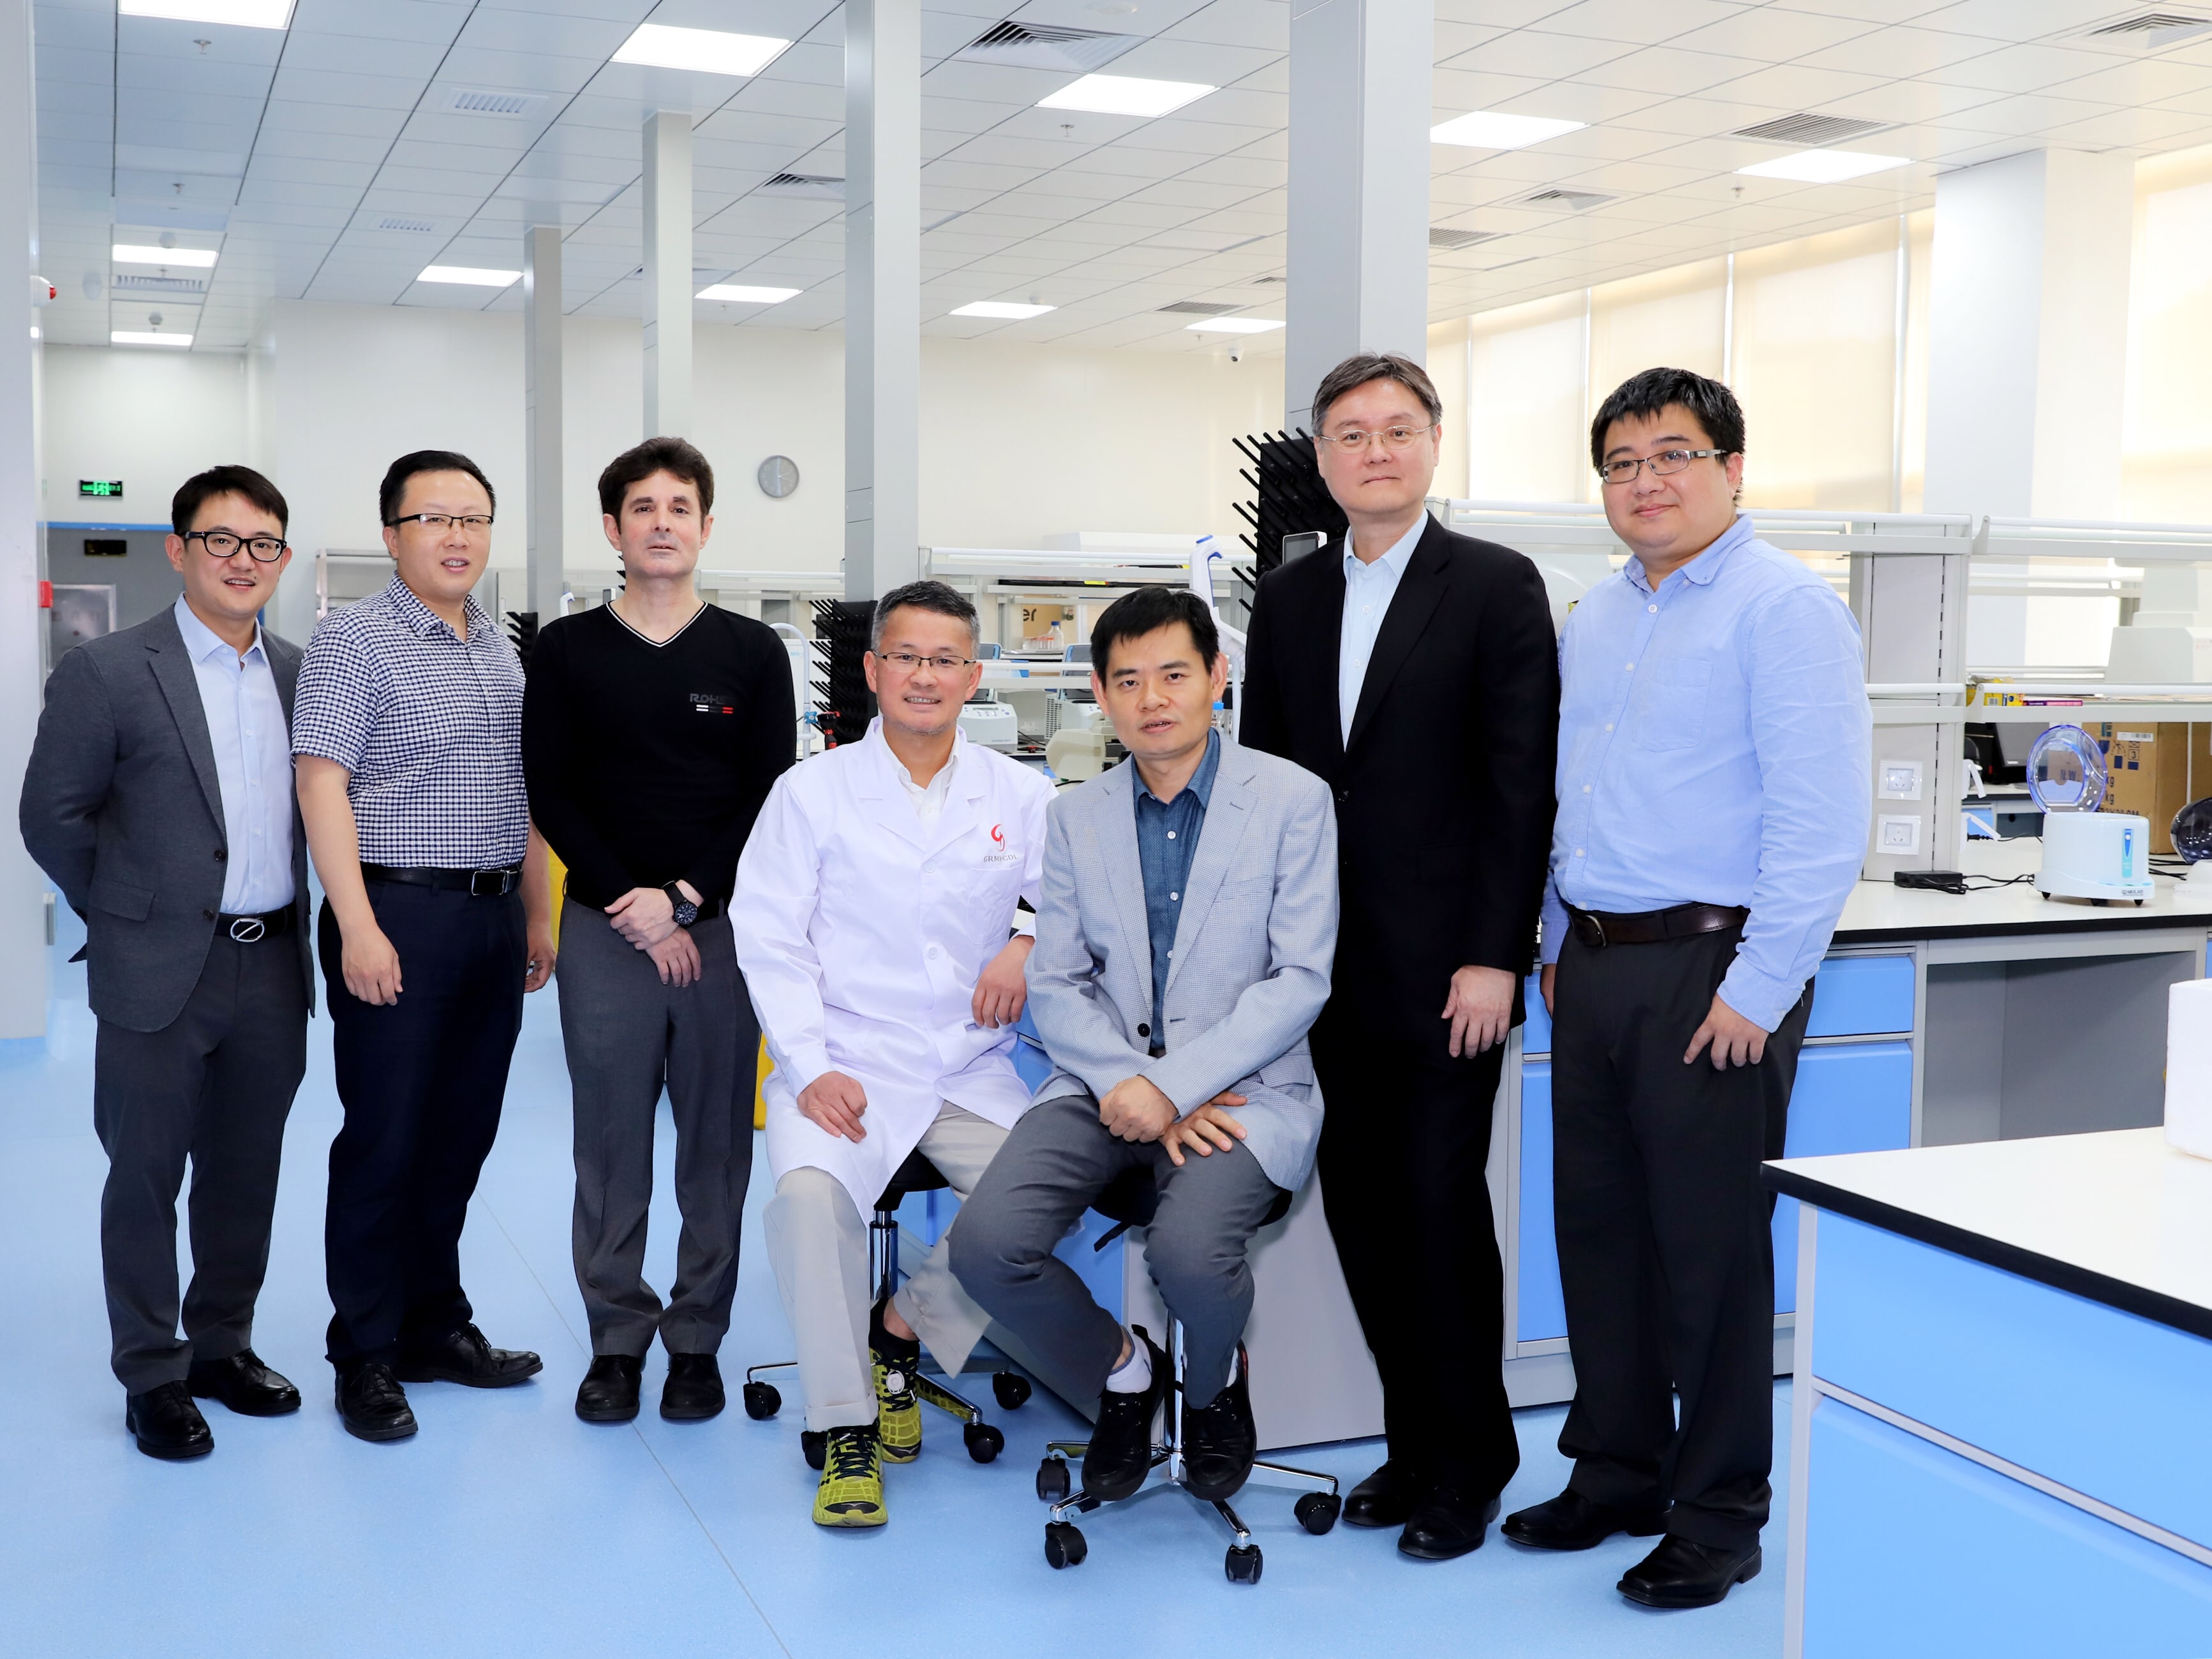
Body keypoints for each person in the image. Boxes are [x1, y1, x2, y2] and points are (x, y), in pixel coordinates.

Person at [1501, 367, 1869, 1609]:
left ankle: (1719, 1512)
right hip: (1595, 965)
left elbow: (1822, 827)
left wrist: (1760, 989)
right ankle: (1616, 1469)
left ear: (1731, 468)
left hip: (1715, 969)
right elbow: (1570, 793)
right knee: (1598, 1235)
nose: (1644, 481)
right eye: (1620, 461)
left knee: (1708, 1252)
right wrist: (1553, 934)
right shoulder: (1593, 617)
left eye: (1671, 454)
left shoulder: (1786, 610)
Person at [1238, 353, 1559, 1559]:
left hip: (1445, 971)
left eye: (1397, 430)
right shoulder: (1290, 597)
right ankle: (1412, 1444)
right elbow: (1265, 788)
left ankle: (1472, 1460)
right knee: (1363, 1213)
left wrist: (1495, 953)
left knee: (1436, 1208)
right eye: (1350, 434)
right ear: (1320, 458)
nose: (1374, 451)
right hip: (1321, 970)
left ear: (1434, 444)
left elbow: (1517, 785)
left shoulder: (1493, 585)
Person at [951, 586, 1337, 1512]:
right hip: (1099, 1086)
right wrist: (1134, 1082)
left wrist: (1173, 1086)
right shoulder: (1076, 816)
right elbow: (1056, 980)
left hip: (1245, 1090)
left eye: (1174, 674)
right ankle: (1126, 1372)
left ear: (1217, 676)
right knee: (985, 1246)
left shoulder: (1292, 799)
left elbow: (1299, 978)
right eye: (1129, 680)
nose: (1153, 698)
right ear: (1101, 692)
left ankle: (1210, 1389)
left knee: (1191, 1254)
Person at [733, 580, 1052, 1528]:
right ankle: (843, 1426)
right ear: (873, 672)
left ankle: (905, 1329)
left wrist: (1026, 942)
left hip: (964, 1062)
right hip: (840, 1058)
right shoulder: (811, 792)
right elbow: (769, 938)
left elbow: (1063, 897)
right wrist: (808, 1064)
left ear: (974, 676)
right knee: (806, 1202)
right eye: (906, 657)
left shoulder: (1021, 794)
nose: (925, 675)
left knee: (1040, 1192)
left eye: (946, 659)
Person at [20, 465, 315, 1460]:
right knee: (144, 1175)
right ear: (179, 549)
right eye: (222, 540)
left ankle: (223, 1347)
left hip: (271, 963)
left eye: (263, 543)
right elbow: (49, 815)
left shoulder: (297, 672)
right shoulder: (108, 670)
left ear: (284, 558)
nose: (244, 560)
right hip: (157, 967)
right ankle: (153, 1370)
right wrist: (128, 908)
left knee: (247, 1171)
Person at [523, 438, 793, 1425]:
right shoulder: (564, 650)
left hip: (722, 930)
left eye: (682, 505)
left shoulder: (752, 653)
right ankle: (617, 1340)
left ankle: (695, 1341)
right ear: (614, 529)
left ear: (707, 527)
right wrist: (630, 902)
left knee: (716, 1142)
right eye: (644, 507)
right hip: (604, 928)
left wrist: (684, 899)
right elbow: (549, 785)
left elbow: (770, 792)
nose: (664, 521)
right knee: (611, 1143)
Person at [292, 449, 558, 1443]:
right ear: (393, 532)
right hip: (396, 916)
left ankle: (433, 1325)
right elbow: (321, 783)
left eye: (474, 519)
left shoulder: (501, 648)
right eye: (434, 518)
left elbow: (525, 796)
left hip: (491, 919)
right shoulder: (354, 640)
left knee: (460, 1136)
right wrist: (356, 923)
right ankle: (363, 1350)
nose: (458, 537)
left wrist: (535, 913)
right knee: (383, 1140)